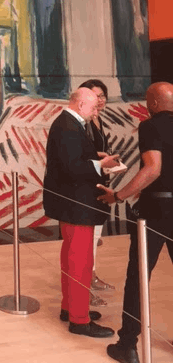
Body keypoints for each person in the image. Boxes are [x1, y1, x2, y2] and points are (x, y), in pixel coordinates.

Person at [98, 82, 173, 363]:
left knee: (138, 277)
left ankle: (128, 345)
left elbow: (153, 168)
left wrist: (118, 195)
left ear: (153, 104)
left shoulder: (150, 126)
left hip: (156, 211)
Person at [43, 87, 120, 338]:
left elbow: (72, 157)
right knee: (80, 262)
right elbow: (72, 168)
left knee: (71, 258)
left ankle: (70, 308)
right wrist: (100, 164)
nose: (96, 112)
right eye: (93, 107)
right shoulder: (68, 126)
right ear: (80, 104)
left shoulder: (68, 123)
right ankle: (79, 320)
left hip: (73, 204)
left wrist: (94, 157)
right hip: (77, 205)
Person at [79, 79, 116, 305]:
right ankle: (85, 284)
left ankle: (91, 276)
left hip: (99, 184)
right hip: (88, 187)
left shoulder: (97, 119)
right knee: (87, 239)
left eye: (102, 95)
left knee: (95, 237)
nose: (100, 100)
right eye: (95, 96)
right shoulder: (83, 122)